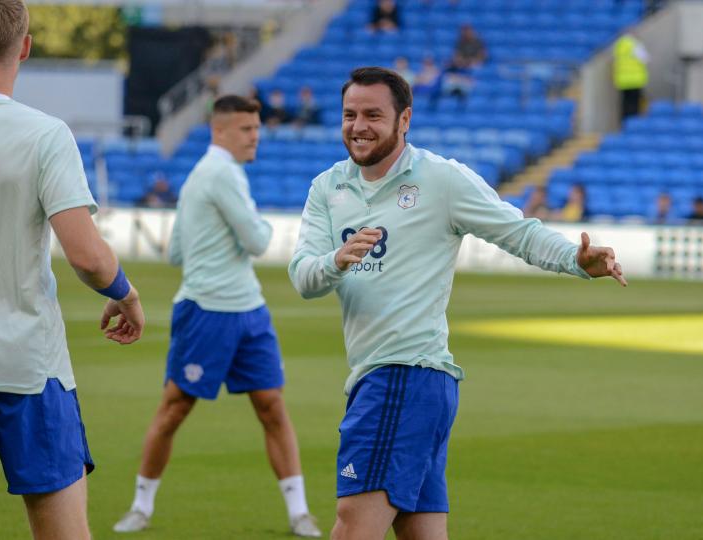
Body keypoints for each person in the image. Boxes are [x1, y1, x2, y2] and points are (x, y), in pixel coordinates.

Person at [288, 67, 627, 540]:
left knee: (353, 527)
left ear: (405, 119)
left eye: (373, 115)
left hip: (403, 376)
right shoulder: (328, 187)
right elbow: (304, 277)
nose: (358, 126)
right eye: (350, 115)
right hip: (398, 381)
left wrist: (575, 259)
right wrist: (336, 260)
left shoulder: (441, 180)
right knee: (421, 531)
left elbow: (517, 231)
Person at [0, 1, 146, 538]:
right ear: (25, 48)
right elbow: (87, 256)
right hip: (27, 366)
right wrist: (126, 294)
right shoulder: (44, 134)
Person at [112, 95, 321, 537]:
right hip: (208, 309)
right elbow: (259, 241)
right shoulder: (221, 173)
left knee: (269, 405)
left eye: (257, 129)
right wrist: (254, 228)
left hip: (247, 307)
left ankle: (299, 512)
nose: (255, 137)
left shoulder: (201, 176)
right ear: (219, 130)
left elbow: (175, 253)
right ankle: (140, 506)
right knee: (180, 407)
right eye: (247, 129)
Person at [612, 32, 649, 120]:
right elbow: (645, 58)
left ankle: (625, 123)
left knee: (625, 104)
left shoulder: (619, 45)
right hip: (635, 80)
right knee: (634, 105)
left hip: (623, 80)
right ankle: (633, 124)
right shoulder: (634, 45)